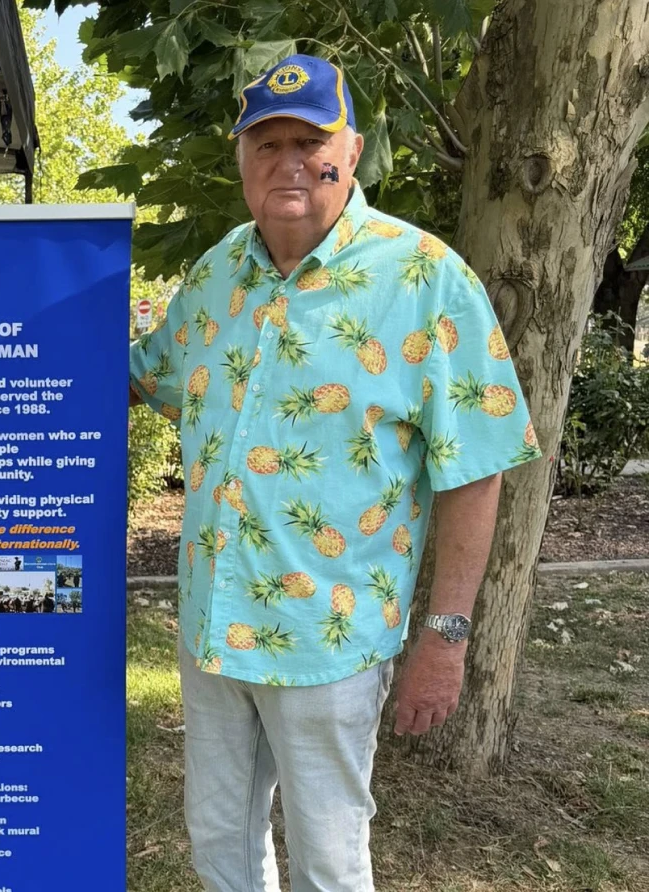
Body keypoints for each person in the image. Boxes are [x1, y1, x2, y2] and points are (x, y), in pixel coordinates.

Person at [129, 54, 542, 892]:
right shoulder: (215, 277)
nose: (287, 160)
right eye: (266, 142)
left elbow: (478, 466)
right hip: (214, 629)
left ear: (350, 152)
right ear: (241, 162)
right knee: (220, 846)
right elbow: (143, 377)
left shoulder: (425, 278)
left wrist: (447, 638)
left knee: (328, 862)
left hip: (330, 642)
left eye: (308, 140)